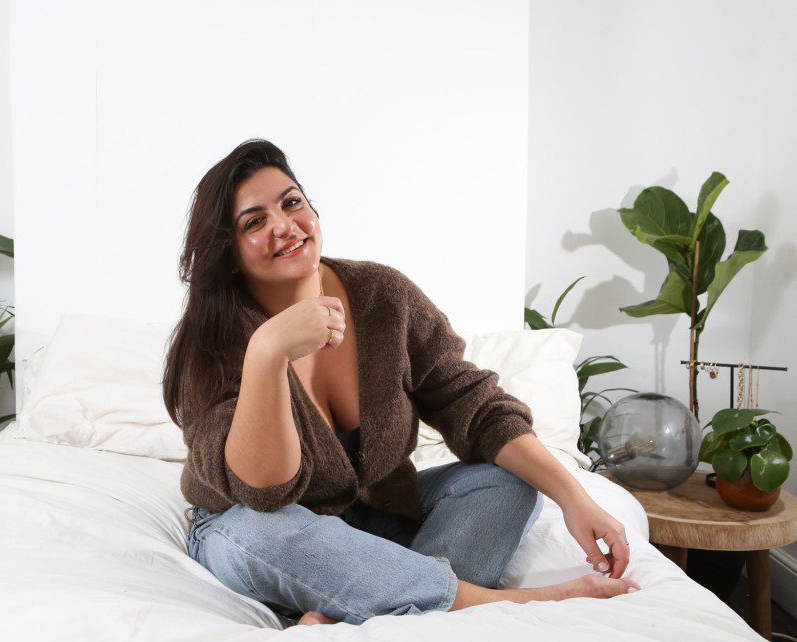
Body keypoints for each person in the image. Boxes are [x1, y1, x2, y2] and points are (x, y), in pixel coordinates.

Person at [162, 139, 641, 627]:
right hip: (252, 527)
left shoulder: (382, 297)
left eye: (291, 202)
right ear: (230, 252)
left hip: (376, 521)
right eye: (254, 221)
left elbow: (474, 406)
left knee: (506, 481)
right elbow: (263, 491)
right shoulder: (212, 339)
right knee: (264, 532)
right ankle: (496, 604)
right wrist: (267, 353)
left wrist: (577, 500)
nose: (284, 226)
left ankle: (348, 608)